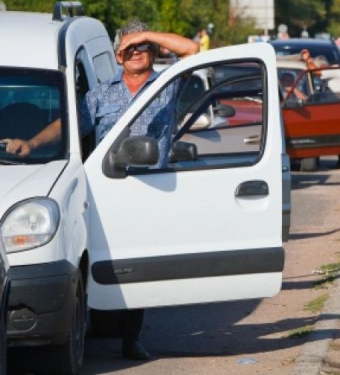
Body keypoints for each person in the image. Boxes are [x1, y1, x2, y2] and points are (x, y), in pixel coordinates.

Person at [1, 19, 198, 359]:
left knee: (138, 266)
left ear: (152, 51)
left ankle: (131, 337)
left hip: (151, 191)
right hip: (107, 189)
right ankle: (94, 318)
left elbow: (194, 51)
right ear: (119, 56)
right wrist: (31, 142)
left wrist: (146, 34)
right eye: (130, 47)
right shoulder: (102, 93)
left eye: (143, 46)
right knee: (104, 261)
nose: (137, 51)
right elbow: (70, 124)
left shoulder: (165, 85)